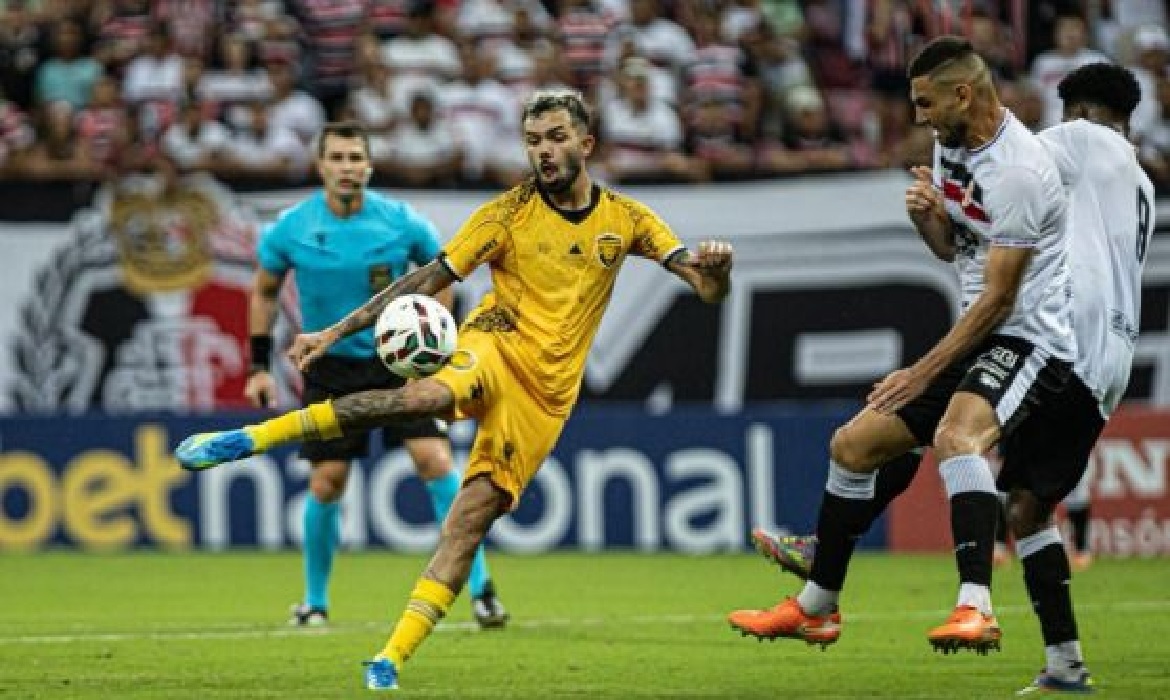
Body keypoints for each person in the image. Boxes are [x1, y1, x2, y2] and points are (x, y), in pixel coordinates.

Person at [174, 88, 734, 691]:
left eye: (555, 137)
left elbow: (704, 289)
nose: (544, 151)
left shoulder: (627, 219)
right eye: (533, 140)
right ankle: (250, 438)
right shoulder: (504, 216)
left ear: (585, 143)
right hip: (490, 342)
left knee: (470, 519)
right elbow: (424, 279)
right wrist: (335, 331)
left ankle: (390, 658)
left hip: (545, 397)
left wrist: (717, 276)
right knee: (425, 397)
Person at [749, 62, 1152, 694]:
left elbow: (1012, 166)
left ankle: (915, 580)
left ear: (1077, 109)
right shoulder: (1140, 180)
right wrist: (944, 214)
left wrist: (968, 171)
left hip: (1058, 340)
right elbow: (988, 228)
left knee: (951, 435)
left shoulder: (1075, 140)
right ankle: (1065, 665)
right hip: (1108, 362)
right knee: (1029, 509)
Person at [728, 35, 1074, 656]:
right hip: (978, 331)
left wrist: (919, 373)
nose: (918, 117)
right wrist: (928, 222)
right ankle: (818, 608)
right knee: (853, 446)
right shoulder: (951, 149)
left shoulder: (1019, 172)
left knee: (955, 439)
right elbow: (957, 251)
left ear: (963, 93)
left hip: (1028, 338)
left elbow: (1000, 300)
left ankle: (976, 608)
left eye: (925, 102)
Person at [244, 121, 508, 630]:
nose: (347, 168)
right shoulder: (291, 227)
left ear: (370, 164)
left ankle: (482, 592)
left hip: (398, 366)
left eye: (355, 158)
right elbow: (264, 291)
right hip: (329, 367)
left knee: (434, 461)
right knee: (327, 481)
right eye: (338, 158)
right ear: (321, 165)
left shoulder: (401, 222)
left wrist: (437, 348)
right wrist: (258, 367)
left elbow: (443, 276)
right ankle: (315, 603)